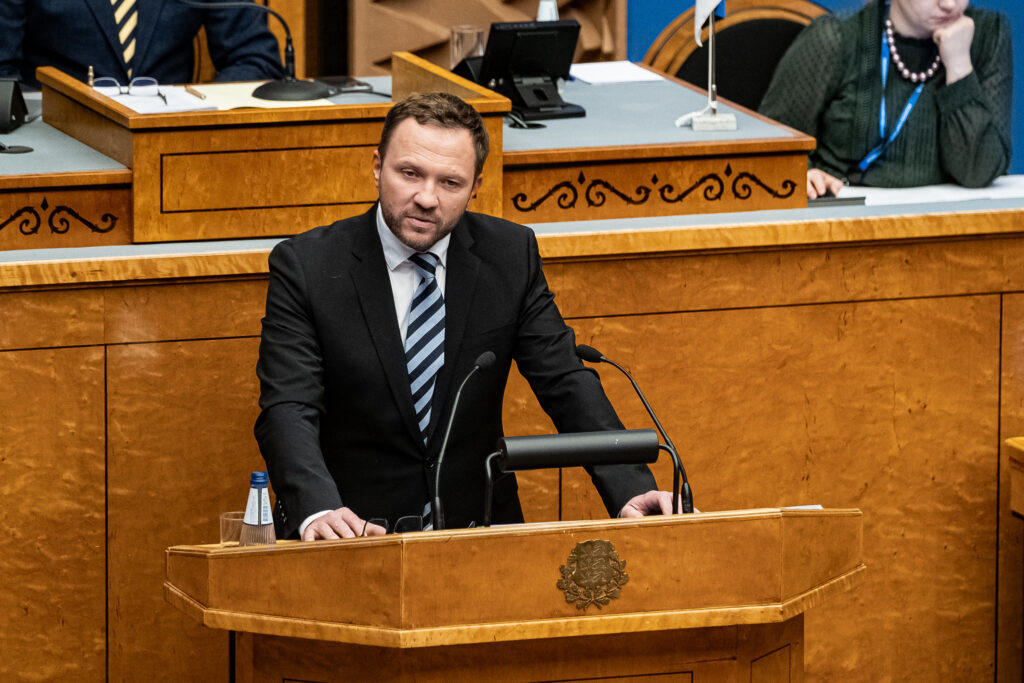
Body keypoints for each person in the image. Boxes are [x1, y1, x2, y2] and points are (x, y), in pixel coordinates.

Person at [255, 92, 676, 541]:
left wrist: (630, 488)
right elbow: (288, 405)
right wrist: (317, 508)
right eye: (409, 173)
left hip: (480, 532)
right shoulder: (308, 266)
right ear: (377, 166)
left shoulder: (510, 255)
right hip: (351, 533)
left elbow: (565, 381)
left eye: (450, 183)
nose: (426, 198)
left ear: (475, 187)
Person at [759, 0, 1011, 199]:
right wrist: (802, 175)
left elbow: (978, 172)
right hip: (844, 226)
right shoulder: (836, 37)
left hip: (943, 233)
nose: (949, 4)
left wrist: (958, 66)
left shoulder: (987, 36)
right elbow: (768, 155)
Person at [0, 0, 284, 89]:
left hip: (173, 148)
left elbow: (255, 58)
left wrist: (197, 111)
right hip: (55, 144)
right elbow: (2, 77)